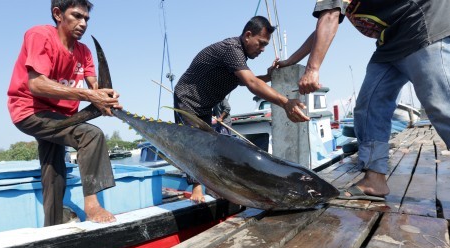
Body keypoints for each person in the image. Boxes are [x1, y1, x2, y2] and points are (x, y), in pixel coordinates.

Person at [277, 1, 450, 200]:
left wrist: (312, 69)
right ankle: (374, 179)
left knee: (442, 105)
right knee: (368, 108)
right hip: (390, 42)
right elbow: (321, 28)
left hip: (421, 22)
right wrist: (291, 60)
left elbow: (330, 18)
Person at [7, 0, 122, 226]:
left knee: (53, 171)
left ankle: (52, 225)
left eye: (86, 19)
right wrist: (90, 97)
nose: (83, 23)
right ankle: (92, 205)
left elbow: (94, 87)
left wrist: (105, 98)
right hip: (30, 110)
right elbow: (36, 84)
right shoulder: (39, 35)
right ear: (58, 14)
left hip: (61, 118)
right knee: (90, 134)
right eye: (77, 16)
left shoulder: (84, 52)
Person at [174, 16, 310, 203]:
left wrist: (268, 77)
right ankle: (197, 188)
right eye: (261, 43)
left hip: (205, 104)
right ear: (248, 35)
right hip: (188, 98)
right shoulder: (231, 49)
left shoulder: (239, 57)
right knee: (194, 142)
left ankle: (214, 186)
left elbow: (245, 81)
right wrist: (286, 102)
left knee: (208, 144)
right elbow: (251, 82)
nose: (262, 50)